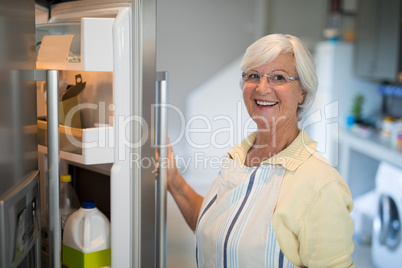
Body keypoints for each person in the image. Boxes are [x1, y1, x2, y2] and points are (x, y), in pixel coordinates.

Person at [164, 34, 355, 267]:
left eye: (278, 77)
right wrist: (175, 182)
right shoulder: (239, 157)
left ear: (302, 91)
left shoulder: (321, 186)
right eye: (253, 75)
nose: (262, 88)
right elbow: (219, 232)